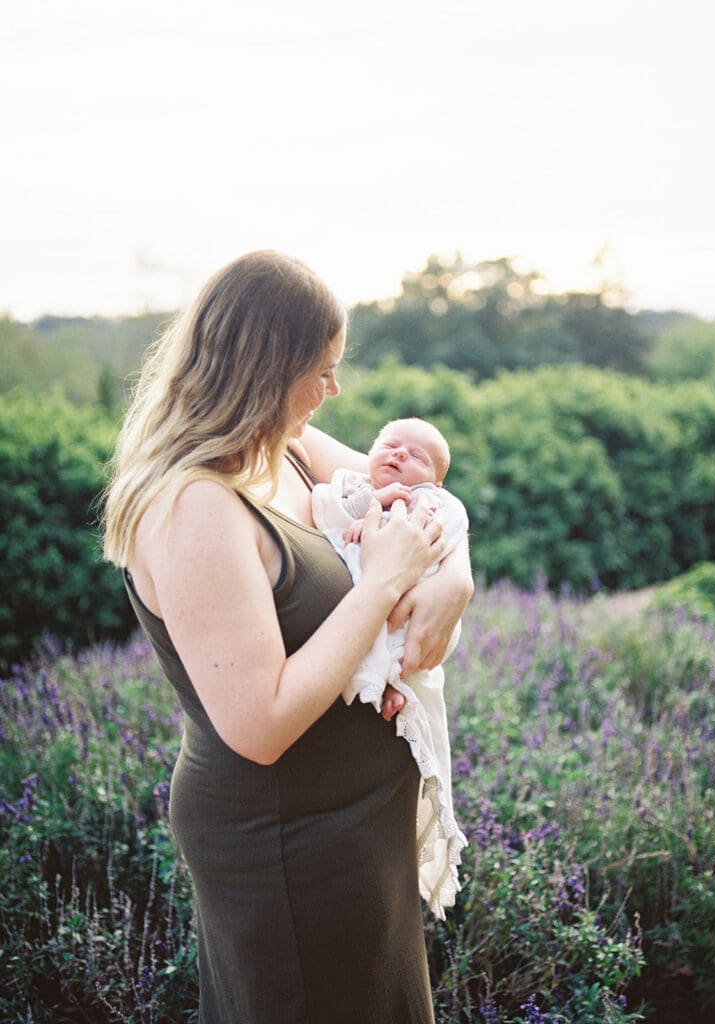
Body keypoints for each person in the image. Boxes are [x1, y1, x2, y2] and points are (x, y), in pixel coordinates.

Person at [101, 251, 473, 1024]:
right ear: (264, 369)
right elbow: (260, 725)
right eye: (322, 369)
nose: (334, 390)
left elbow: (426, 495)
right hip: (288, 844)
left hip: (360, 833)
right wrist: (379, 585)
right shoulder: (194, 507)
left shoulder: (290, 449)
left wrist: (454, 574)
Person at [312, 417, 469, 919]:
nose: (400, 456)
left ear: (435, 480)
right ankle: (383, 682)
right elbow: (327, 508)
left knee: (399, 642)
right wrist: (367, 507)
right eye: (389, 445)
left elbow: (440, 527)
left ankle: (390, 681)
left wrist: (454, 573)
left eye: (418, 456)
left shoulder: (427, 501)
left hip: (402, 613)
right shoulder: (353, 486)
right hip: (354, 620)